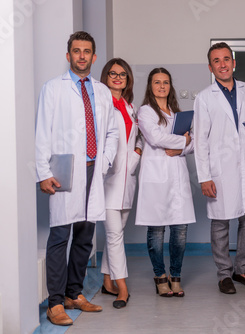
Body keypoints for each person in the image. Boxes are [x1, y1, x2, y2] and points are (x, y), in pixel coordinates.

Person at [35, 31, 118, 325]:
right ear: (68, 55)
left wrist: (105, 160)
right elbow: (42, 132)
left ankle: (74, 292)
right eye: (76, 51)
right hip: (65, 170)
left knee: (85, 235)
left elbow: (111, 132)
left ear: (94, 57)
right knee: (60, 235)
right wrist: (44, 173)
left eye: (87, 51)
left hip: (94, 169)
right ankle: (55, 303)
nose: (81, 56)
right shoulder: (52, 89)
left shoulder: (103, 91)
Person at [194, 42, 245, 294]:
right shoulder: (204, 98)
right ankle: (224, 274)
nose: (222, 64)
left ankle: (242, 269)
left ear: (234, 62)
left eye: (226, 59)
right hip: (219, 169)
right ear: (210, 67)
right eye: (216, 60)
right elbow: (200, 141)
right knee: (221, 222)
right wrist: (204, 177)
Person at [135, 68, 195, 297]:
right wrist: (183, 141)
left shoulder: (177, 112)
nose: (162, 86)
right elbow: (155, 138)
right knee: (157, 230)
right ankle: (160, 276)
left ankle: (176, 276)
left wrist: (180, 147)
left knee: (180, 230)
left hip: (178, 176)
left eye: (166, 82)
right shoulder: (146, 111)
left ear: (170, 86)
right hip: (156, 178)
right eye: (157, 82)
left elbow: (193, 144)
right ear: (150, 86)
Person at [99, 58, 142, 308]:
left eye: (122, 74)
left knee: (117, 234)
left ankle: (107, 281)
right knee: (114, 235)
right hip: (107, 180)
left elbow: (138, 139)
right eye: (113, 73)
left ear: (128, 80)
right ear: (105, 77)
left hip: (128, 180)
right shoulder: (101, 105)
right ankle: (122, 288)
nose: (117, 78)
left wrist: (138, 152)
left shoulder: (130, 107)